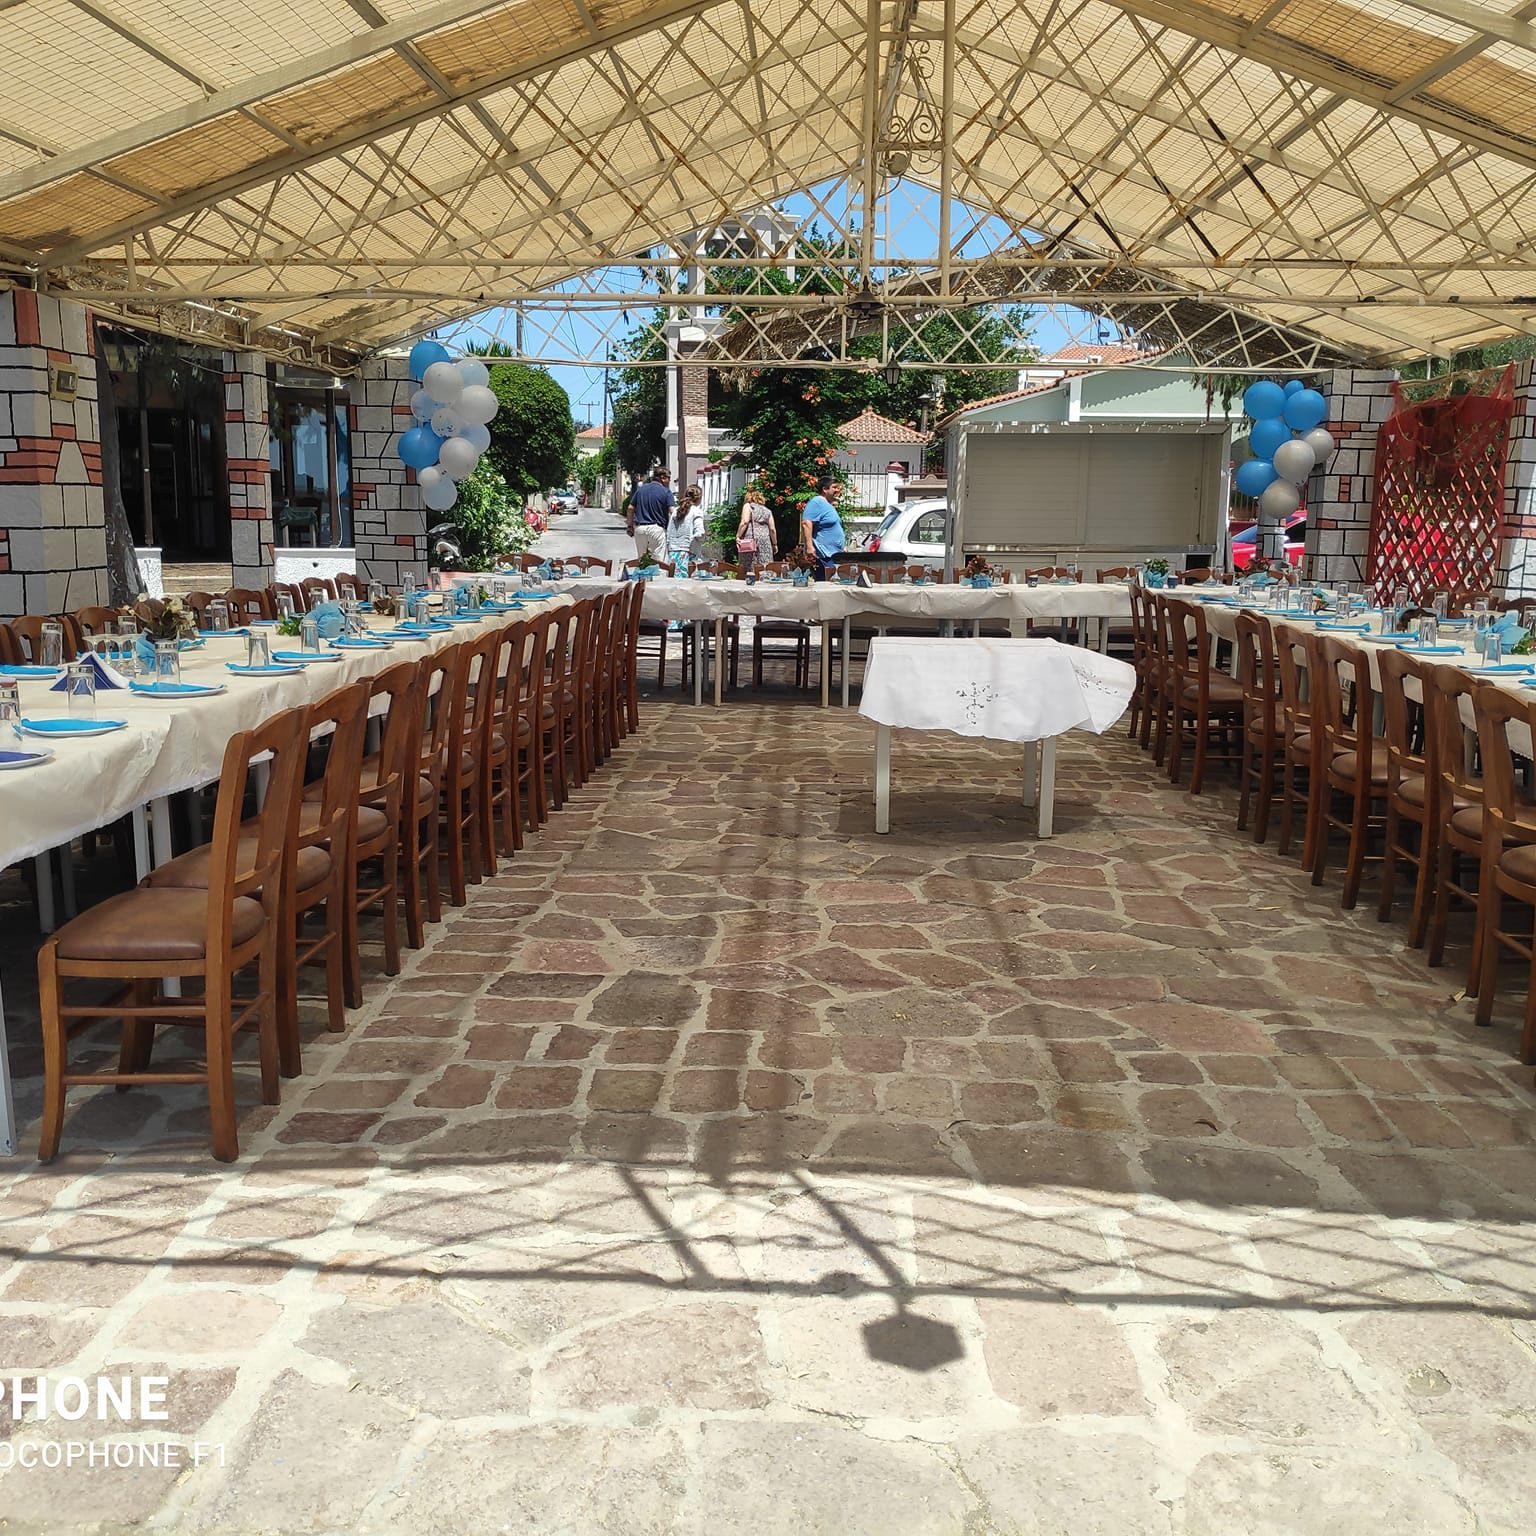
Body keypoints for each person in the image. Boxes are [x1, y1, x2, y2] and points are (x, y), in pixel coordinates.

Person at [800, 475, 845, 579]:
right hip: (824, 556)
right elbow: (806, 523)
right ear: (825, 489)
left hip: (834, 555)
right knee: (824, 585)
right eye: (834, 487)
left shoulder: (828, 504)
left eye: (838, 487)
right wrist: (809, 547)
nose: (837, 490)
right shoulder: (817, 502)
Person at [627, 467, 674, 565]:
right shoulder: (666, 492)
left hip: (640, 529)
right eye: (668, 478)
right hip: (657, 530)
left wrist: (630, 526)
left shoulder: (641, 490)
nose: (669, 480)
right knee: (660, 562)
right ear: (662, 478)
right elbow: (672, 512)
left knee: (642, 561)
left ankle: (643, 574)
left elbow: (630, 508)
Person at [735, 485, 776, 575]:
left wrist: (738, 536)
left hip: (751, 538)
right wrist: (774, 544)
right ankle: (764, 578)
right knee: (765, 563)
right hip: (765, 538)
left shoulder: (748, 506)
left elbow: (744, 522)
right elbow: (772, 529)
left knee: (749, 563)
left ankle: (749, 578)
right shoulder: (767, 510)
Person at [667, 484, 706, 566]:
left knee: (674, 573)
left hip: (673, 551)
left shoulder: (676, 511)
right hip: (689, 552)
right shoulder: (697, 511)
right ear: (699, 498)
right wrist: (703, 539)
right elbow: (699, 533)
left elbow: (669, 531)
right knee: (689, 573)